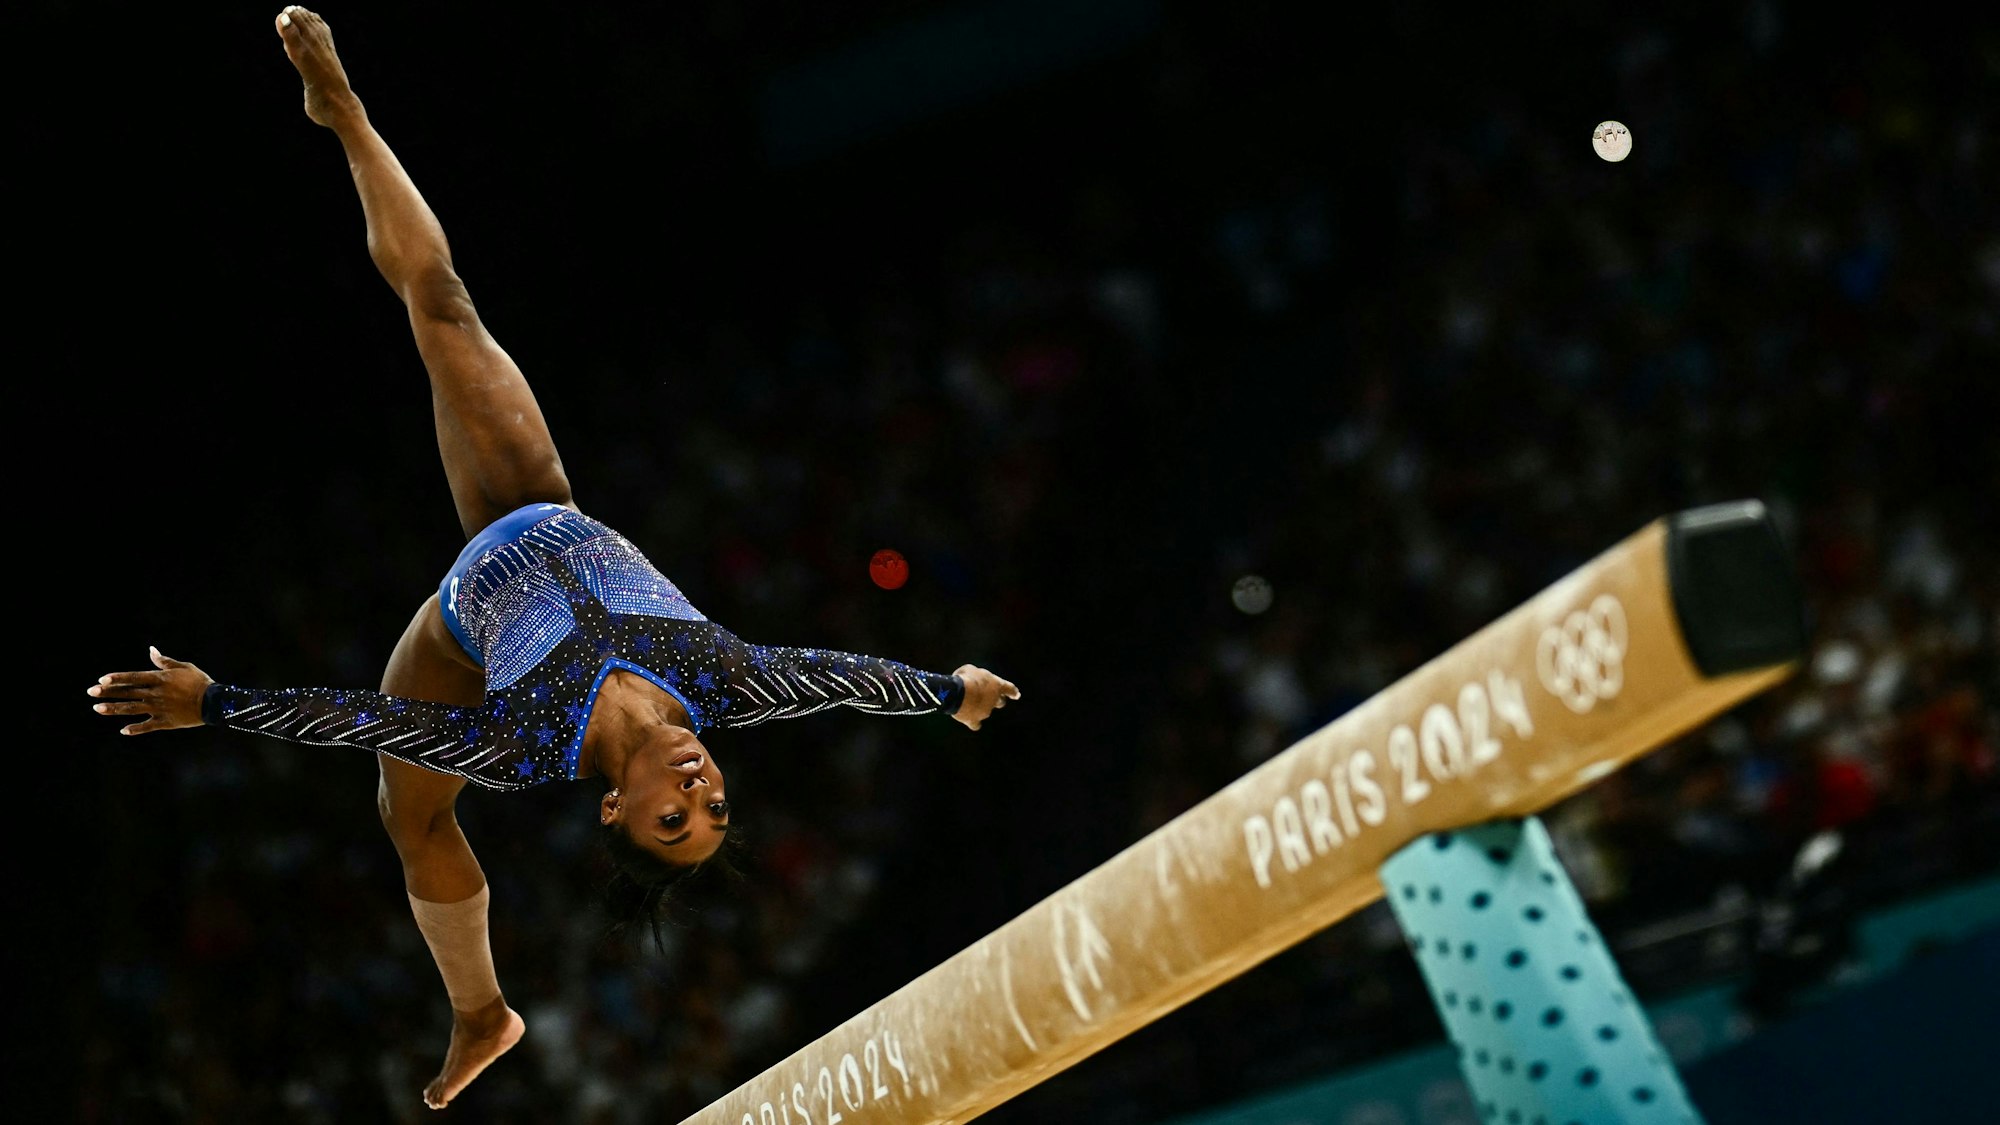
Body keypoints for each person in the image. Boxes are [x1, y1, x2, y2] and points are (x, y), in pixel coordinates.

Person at [85, 6, 1021, 1109]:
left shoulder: (527, 746)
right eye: (716, 811)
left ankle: (480, 1009)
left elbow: (367, 719)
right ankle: (346, 116)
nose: (700, 794)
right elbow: (842, 678)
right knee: (442, 302)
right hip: (538, 501)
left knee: (408, 812)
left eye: (672, 821)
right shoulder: (727, 684)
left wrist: (218, 703)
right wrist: (950, 690)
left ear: (612, 811)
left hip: (457, 625)